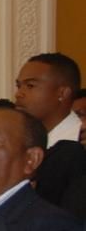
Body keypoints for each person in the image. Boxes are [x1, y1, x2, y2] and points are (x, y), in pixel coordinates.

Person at [14, 52, 86, 211]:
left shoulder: (79, 147)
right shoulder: (21, 145)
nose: (19, 94)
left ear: (62, 93)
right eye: (19, 86)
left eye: (30, 85)